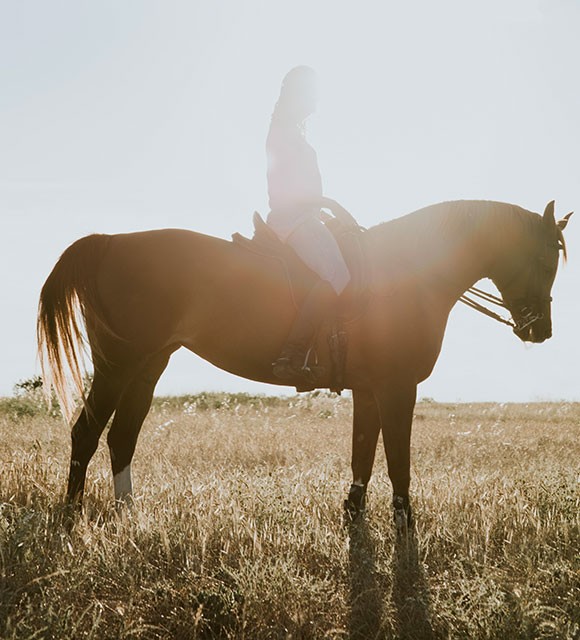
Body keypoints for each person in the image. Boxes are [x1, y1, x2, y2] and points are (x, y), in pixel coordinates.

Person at [266, 66, 357, 382]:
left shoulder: (289, 130)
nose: (317, 97)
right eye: (312, 90)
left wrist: (326, 213)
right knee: (338, 274)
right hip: (293, 220)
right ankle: (290, 355)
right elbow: (288, 192)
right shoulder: (284, 133)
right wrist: (329, 204)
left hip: (306, 216)